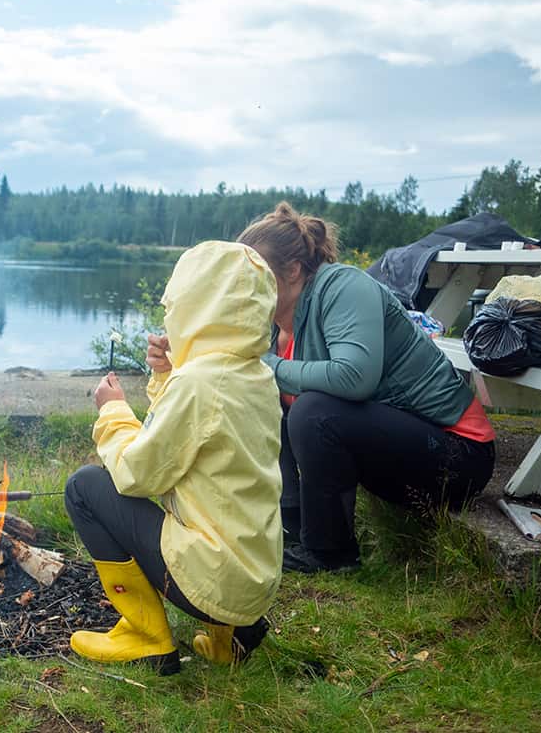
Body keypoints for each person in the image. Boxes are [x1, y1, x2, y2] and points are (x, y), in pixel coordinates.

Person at [237, 202, 495, 574]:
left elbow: (354, 377)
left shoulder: (343, 287)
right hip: (400, 450)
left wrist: (269, 366)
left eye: (254, 272)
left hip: (456, 455)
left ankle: (330, 551)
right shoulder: (274, 317)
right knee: (268, 393)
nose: (243, 284)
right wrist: (177, 353)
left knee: (313, 411)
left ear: (292, 270)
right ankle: (291, 523)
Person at [64, 241, 282, 673]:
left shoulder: (199, 383)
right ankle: (230, 636)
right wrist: (167, 374)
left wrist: (112, 409)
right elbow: (195, 442)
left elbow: (137, 474)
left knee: (85, 487)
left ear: (194, 305)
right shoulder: (258, 376)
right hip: (253, 581)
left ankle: (147, 636)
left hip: (211, 578)